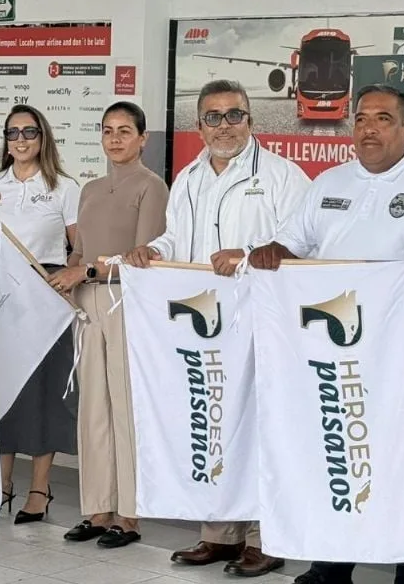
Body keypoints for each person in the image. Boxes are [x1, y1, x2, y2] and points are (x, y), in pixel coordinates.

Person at [250, 83, 404, 584]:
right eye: (360, 118)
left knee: (401, 460)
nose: (368, 128)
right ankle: (331, 564)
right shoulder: (328, 183)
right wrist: (267, 251)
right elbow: (289, 245)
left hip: (399, 344)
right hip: (328, 343)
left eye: (381, 119)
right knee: (333, 444)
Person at [124, 79, 309, 577]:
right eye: (213, 117)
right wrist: (156, 251)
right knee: (215, 425)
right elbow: (177, 235)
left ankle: (268, 538)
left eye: (234, 115)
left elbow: (300, 245)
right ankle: (220, 536)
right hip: (207, 327)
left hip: (261, 326)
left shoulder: (282, 176)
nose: (224, 125)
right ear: (199, 126)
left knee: (265, 430)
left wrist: (248, 257)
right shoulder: (188, 177)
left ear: (250, 120)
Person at [61, 102, 169, 549]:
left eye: (126, 131)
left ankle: (130, 514)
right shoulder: (89, 188)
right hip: (86, 303)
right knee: (93, 410)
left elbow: (144, 259)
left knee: (126, 409)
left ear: (143, 138)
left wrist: (84, 273)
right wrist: (68, 275)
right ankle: (98, 509)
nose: (116, 139)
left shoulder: (152, 187)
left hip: (127, 302)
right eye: (108, 131)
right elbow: (79, 251)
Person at [0, 104, 81, 524]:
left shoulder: (64, 187)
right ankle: (0, 484)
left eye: (29, 132)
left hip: (47, 299)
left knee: (45, 394)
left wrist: (71, 281)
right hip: (3, 302)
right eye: (13, 132)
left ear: (43, 137)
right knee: (4, 391)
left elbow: (79, 248)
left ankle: (39, 487)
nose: (20, 140)